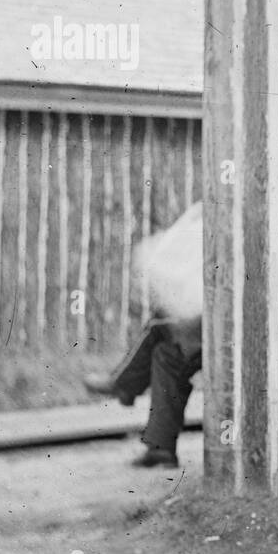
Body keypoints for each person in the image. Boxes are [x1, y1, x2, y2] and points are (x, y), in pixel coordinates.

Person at [84, 200, 203, 469]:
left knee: (160, 325)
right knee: (165, 355)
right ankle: (161, 450)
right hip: (213, 328)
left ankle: (123, 383)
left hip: (233, 331)